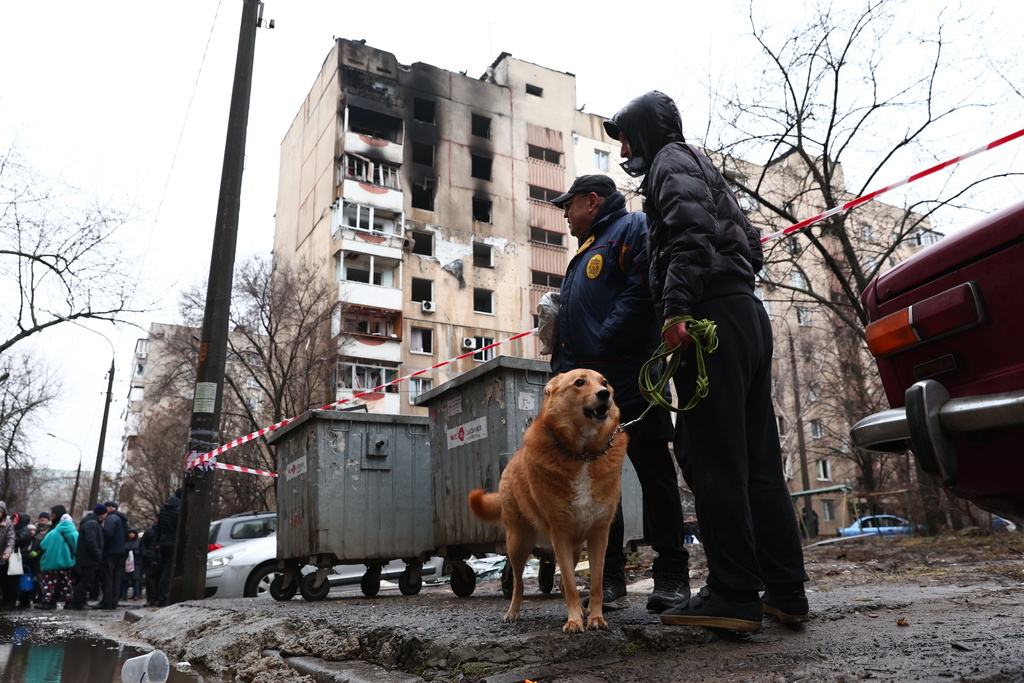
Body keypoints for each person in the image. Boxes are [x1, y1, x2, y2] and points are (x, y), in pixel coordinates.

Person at [605, 91, 809, 630]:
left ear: (646, 131)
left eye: (626, 136)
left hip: (709, 317)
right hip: (743, 312)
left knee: (708, 454)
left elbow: (692, 233)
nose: (624, 149)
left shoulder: (670, 162)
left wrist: (676, 309)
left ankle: (734, 593)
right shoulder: (703, 164)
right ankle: (785, 590)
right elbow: (751, 242)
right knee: (758, 460)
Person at [548, 174, 691, 613]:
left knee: (655, 474)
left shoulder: (630, 228)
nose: (565, 215)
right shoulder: (586, 250)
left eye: (568, 205)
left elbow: (643, 286)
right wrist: (563, 365)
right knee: (598, 483)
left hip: (632, 377)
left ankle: (671, 575)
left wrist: (607, 337)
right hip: (590, 391)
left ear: (592, 201)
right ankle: (608, 579)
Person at [70, 504, 107, 610]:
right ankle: (80, 603)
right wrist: (98, 554)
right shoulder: (92, 524)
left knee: (84, 581)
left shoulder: (89, 522)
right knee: (85, 581)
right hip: (89, 558)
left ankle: (79, 602)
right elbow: (91, 542)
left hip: (86, 557)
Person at [38, 513, 78, 610]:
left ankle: (46, 602)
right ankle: (68, 602)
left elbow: (43, 545)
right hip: (66, 563)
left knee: (49, 582)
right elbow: (76, 548)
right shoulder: (74, 533)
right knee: (66, 582)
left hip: (50, 563)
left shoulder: (52, 533)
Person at [154, 488, 182, 607]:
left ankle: (161, 597)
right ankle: (164, 598)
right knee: (168, 572)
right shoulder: (180, 509)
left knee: (164, 571)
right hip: (173, 543)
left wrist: (158, 541)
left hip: (163, 543)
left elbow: (158, 527)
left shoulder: (164, 508)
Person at [98, 500, 128, 609]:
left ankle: (107, 601)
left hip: (111, 552)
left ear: (110, 507)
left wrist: (103, 546)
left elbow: (108, 533)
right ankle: (114, 601)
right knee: (116, 578)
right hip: (121, 551)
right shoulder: (123, 519)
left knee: (107, 577)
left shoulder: (111, 518)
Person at [140, 514, 160, 606]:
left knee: (152, 581)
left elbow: (142, 544)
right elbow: (142, 544)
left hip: (154, 558)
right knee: (151, 581)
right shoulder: (150, 531)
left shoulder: (150, 531)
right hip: (152, 559)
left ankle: (153, 599)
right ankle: (153, 599)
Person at [0, 502, 15, 608]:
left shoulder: (7, 523)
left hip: (1, 556)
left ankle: (4, 601)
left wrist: (7, 552)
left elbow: (10, 539)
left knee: (2, 580)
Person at [122, 528, 142, 600]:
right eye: (130, 533)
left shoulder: (138, 542)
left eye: (133, 533)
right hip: (126, 562)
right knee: (124, 580)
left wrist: (133, 552)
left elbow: (141, 551)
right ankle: (123, 595)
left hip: (135, 562)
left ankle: (136, 593)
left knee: (135, 579)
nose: (131, 534)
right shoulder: (126, 541)